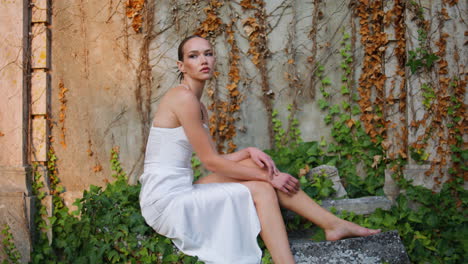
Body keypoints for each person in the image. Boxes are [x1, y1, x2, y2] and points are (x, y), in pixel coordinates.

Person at [139, 35, 380, 264]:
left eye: (208, 54)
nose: (203, 60)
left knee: (254, 164)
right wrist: (270, 178)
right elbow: (211, 163)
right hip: (165, 201)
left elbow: (211, 159)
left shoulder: (199, 106)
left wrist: (248, 152)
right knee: (263, 189)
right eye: (193, 56)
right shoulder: (182, 99)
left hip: (181, 188)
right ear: (181, 65)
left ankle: (332, 224)